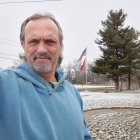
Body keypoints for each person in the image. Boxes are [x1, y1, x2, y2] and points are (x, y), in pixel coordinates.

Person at [0, 12, 92, 140]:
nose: (42, 49)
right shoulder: (5, 85)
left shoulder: (73, 93)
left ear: (60, 46)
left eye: (50, 41)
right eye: (33, 41)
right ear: (23, 45)